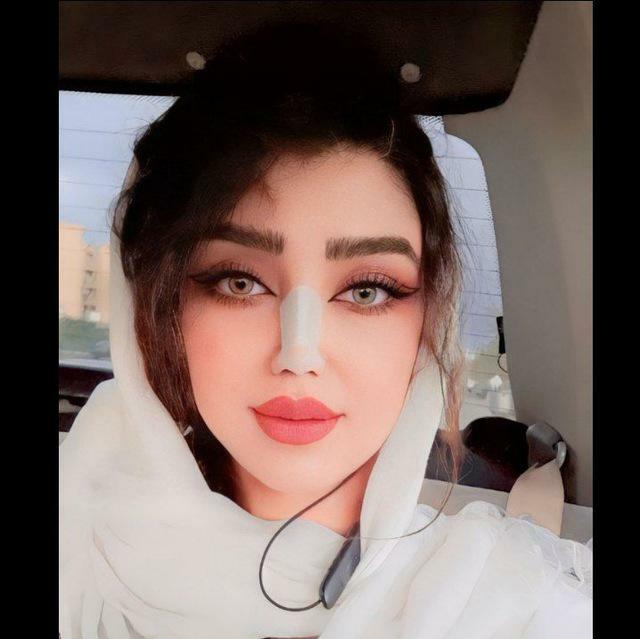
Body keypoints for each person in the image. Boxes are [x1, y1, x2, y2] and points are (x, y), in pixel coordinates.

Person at [59, 21, 592, 639]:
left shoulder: (510, 605)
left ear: (430, 323)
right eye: (239, 282)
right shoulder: (79, 548)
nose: (299, 353)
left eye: (367, 290)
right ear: (159, 309)